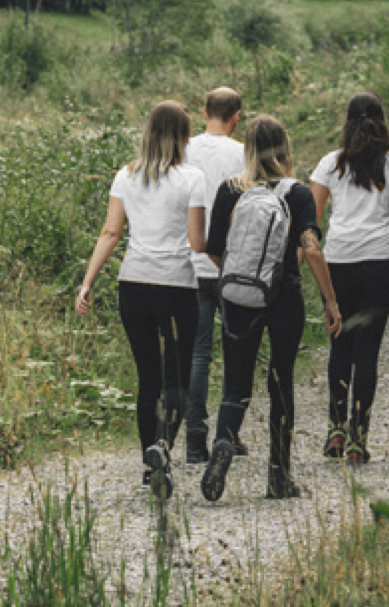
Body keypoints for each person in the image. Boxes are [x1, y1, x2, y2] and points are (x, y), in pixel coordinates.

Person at [201, 114, 343, 502]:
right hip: (284, 298)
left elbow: (212, 249)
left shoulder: (229, 190)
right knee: (281, 382)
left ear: (247, 148)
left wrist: (240, 278)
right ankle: (279, 477)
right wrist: (330, 300)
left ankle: (224, 442)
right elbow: (310, 247)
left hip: (238, 299)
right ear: (285, 148)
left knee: (236, 381)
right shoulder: (296, 193)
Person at [76, 101, 206, 499]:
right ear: (184, 137)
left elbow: (110, 234)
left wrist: (86, 283)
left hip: (132, 285)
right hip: (177, 287)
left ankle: (150, 465)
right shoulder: (193, 178)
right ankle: (163, 446)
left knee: (148, 377)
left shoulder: (125, 176)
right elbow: (197, 242)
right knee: (178, 379)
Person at [310, 92, 389, 464]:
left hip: (339, 261)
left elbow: (312, 220)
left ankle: (335, 430)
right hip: (379, 264)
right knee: (368, 352)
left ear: (347, 121)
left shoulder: (330, 164)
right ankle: (359, 437)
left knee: (340, 346)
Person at [182, 87, 247, 464]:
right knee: (237, 349)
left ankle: (194, 436)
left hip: (190, 265)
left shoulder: (184, 149)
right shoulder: (242, 154)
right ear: (236, 116)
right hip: (231, 264)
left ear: (202, 111)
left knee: (197, 353)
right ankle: (229, 432)